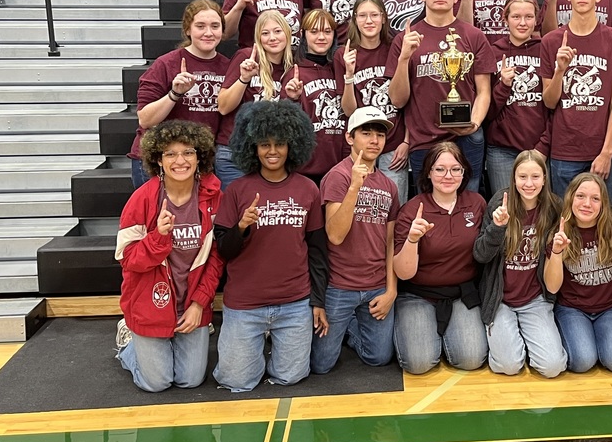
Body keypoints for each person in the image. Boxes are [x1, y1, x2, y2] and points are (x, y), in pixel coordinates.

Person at [212, 100, 328, 392]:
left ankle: (266, 353)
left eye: (279, 144)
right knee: (236, 381)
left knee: (291, 377)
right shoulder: (237, 190)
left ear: (292, 146)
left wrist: (316, 301)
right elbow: (224, 249)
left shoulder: (307, 189)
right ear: (253, 147)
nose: (272, 151)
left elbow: (316, 250)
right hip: (246, 304)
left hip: (294, 303)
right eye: (264, 144)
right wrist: (241, 227)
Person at [115, 120, 223, 392]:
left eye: (188, 152)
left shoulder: (214, 197)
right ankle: (129, 345)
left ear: (199, 158)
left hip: (191, 303)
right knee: (157, 383)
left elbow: (216, 259)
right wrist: (158, 237)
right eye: (170, 154)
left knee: (190, 380)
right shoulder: (142, 199)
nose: (180, 160)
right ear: (158, 161)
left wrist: (199, 303)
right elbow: (128, 260)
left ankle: (165, 342)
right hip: (151, 302)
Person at [386, 0, 495, 193]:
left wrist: (474, 123)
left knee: (468, 202)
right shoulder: (406, 38)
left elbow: (484, 91)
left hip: (466, 136)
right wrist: (404, 58)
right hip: (424, 137)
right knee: (428, 206)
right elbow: (397, 100)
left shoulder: (473, 36)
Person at [312, 106, 400, 373]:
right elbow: (335, 235)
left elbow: (390, 242)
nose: (374, 140)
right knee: (321, 365)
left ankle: (351, 328)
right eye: (366, 133)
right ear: (350, 138)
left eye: (380, 135)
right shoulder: (337, 177)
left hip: (375, 286)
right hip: (340, 287)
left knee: (378, 358)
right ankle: (348, 322)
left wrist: (391, 290)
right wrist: (354, 188)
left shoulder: (389, 185)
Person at [392, 142, 489, 374]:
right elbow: (403, 273)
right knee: (419, 364)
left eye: (456, 169)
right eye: (440, 169)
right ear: (428, 172)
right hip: (418, 294)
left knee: (471, 360)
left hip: (461, 294)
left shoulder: (477, 204)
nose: (448, 176)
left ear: (464, 172)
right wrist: (412, 240)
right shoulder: (412, 210)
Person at [540, 0, 612, 197]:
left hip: (601, 149)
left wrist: (607, 152)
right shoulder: (551, 41)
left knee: (600, 222)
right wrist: (560, 71)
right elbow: (550, 102)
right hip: (564, 150)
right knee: (565, 219)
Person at [474, 150, 567, 378]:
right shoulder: (500, 202)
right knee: (509, 367)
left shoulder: (554, 207)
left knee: (552, 367)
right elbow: (480, 255)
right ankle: (510, 342)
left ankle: (528, 341)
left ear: (545, 179)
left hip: (534, 299)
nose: (528, 183)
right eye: (522, 177)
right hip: (501, 299)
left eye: (535, 177)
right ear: (513, 179)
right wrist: (497, 228)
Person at [128, 0, 231, 188]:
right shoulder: (166, 64)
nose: (208, 33)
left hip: (198, 162)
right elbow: (145, 119)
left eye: (215, 26)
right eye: (200, 26)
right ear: (188, 29)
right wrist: (174, 94)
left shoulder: (228, 67)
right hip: (157, 161)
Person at [545, 172, 612, 373]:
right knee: (582, 362)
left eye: (595, 199)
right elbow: (552, 286)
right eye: (581, 196)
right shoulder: (560, 230)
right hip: (572, 309)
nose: (587, 204)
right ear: (571, 198)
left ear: (603, 203)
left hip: (611, 307)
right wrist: (557, 252)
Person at [341, 0, 410, 203]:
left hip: (394, 142)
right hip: (362, 142)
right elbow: (349, 111)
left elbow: (411, 101)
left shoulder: (396, 48)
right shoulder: (344, 54)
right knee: (363, 206)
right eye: (362, 16)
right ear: (354, 19)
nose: (369, 21)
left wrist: (407, 141)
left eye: (374, 15)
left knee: (394, 205)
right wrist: (349, 75)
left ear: (384, 18)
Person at [216, 10, 294, 190]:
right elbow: (223, 107)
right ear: (258, 38)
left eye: (277, 31)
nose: (272, 38)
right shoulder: (247, 57)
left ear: (287, 34)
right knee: (239, 215)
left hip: (270, 156)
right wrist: (244, 78)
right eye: (265, 33)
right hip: (234, 154)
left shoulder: (292, 67)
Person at [485, 0, 550, 194]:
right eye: (516, 17)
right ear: (505, 20)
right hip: (502, 150)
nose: (522, 23)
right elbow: (487, 112)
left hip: (539, 147)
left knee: (539, 212)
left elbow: (554, 104)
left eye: (528, 17)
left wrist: (543, 146)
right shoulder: (493, 52)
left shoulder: (545, 50)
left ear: (536, 19)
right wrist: (503, 85)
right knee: (505, 208)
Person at [282, 9, 347, 184]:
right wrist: (292, 99)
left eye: (327, 31)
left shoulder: (339, 69)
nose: (321, 37)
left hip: (338, 169)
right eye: (314, 31)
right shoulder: (295, 74)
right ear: (303, 34)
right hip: (305, 172)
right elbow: (284, 125)